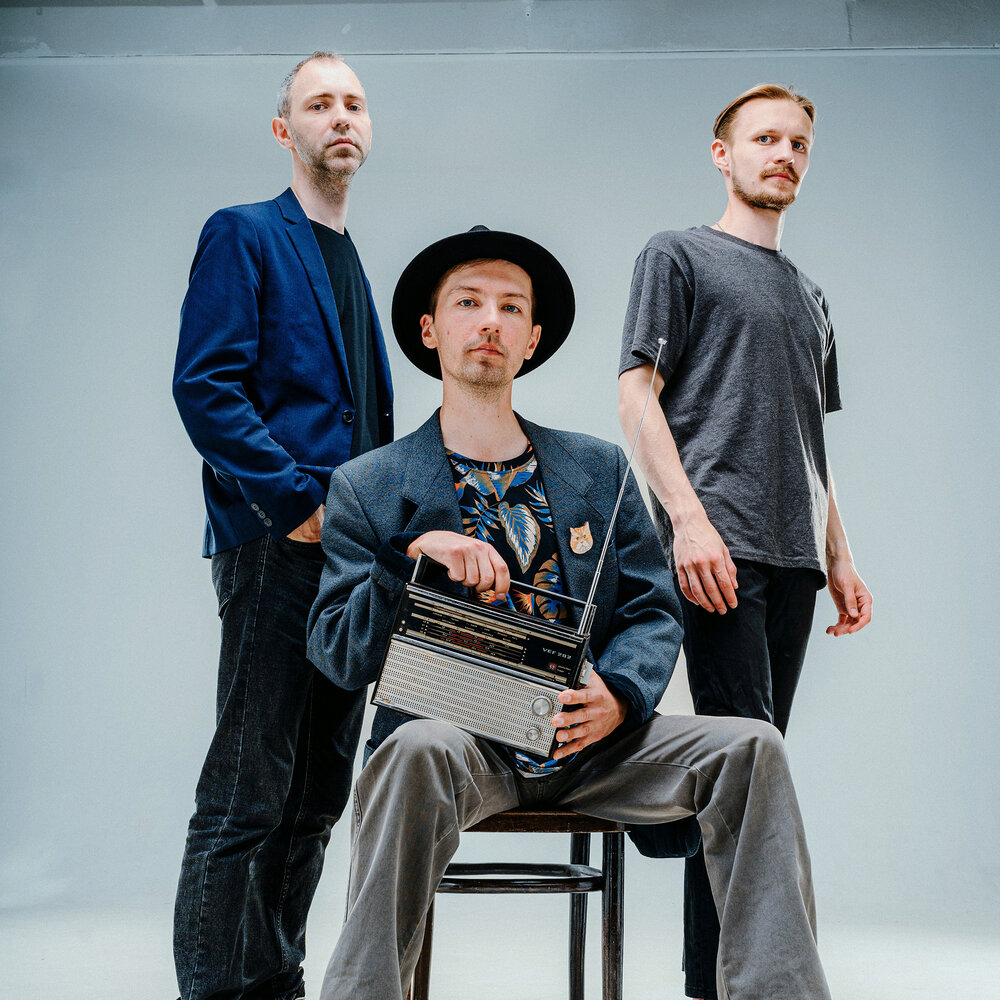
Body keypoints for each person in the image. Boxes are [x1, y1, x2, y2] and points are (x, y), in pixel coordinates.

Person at [306, 226, 832, 1000]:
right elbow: (337, 652)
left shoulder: (598, 467)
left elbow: (654, 610)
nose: (491, 321)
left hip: (597, 749)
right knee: (413, 748)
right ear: (429, 329)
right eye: (468, 303)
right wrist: (409, 559)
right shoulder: (369, 485)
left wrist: (621, 694)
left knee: (753, 747)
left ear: (532, 339)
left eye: (512, 307)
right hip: (459, 749)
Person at [618, 83, 872, 1000]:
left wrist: (840, 553)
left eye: (798, 144)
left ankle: (717, 977)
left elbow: (811, 440)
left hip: (795, 558)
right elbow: (635, 396)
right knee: (742, 771)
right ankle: (733, 982)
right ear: (723, 154)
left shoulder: (811, 296)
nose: (784, 155)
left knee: (748, 780)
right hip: (716, 549)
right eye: (766, 139)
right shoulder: (677, 255)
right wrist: (688, 522)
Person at [171, 52, 392, 1000]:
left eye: (353, 104)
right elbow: (206, 387)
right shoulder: (246, 232)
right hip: (276, 545)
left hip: (352, 562)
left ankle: (274, 982)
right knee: (248, 790)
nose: (340, 117)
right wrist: (295, 504)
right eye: (318, 104)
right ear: (283, 130)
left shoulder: (352, 261)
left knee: (315, 797)